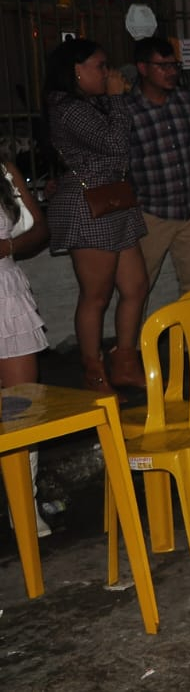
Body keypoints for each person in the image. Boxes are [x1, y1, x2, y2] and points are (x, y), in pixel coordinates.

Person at [43, 38, 149, 391]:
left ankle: (125, 362)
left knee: (136, 285)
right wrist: (117, 98)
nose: (108, 72)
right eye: (100, 66)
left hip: (113, 198)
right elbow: (115, 144)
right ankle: (94, 372)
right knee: (97, 295)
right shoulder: (67, 107)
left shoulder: (90, 103)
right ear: (76, 69)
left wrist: (115, 98)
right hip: (89, 204)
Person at [126, 36, 190, 299]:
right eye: (163, 66)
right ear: (142, 68)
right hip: (151, 212)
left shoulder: (186, 100)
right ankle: (136, 330)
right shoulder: (126, 109)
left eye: (174, 65)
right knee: (138, 288)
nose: (171, 72)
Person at [0, 151, 51, 536]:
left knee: (22, 406)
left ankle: (24, 505)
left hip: (7, 293)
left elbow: (38, 231)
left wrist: (8, 248)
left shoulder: (4, 170)